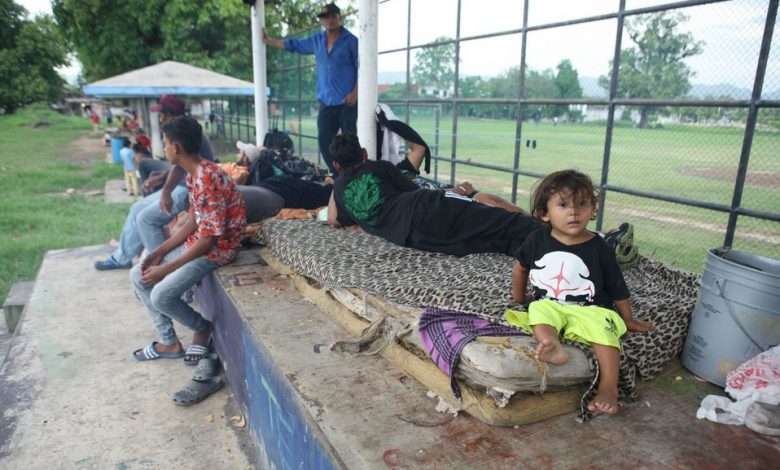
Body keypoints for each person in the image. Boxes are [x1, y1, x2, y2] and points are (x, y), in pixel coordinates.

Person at [503, 169, 654, 415]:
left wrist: (627, 319)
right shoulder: (536, 240)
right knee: (538, 311)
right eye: (563, 205)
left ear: (592, 209)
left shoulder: (600, 247)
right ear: (544, 212)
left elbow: (617, 285)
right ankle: (552, 345)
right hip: (550, 302)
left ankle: (608, 388)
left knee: (605, 331)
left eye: (582, 204)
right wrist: (520, 298)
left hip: (591, 308)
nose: (573, 212)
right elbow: (520, 268)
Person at [131, 116, 246, 366]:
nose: (163, 148)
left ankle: (201, 328)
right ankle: (169, 341)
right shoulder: (195, 173)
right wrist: (158, 252)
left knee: (160, 295)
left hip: (218, 251)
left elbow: (209, 240)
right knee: (138, 275)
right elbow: (194, 221)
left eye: (165, 143)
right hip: (200, 243)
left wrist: (165, 269)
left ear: (176, 147)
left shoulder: (207, 178)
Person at [327, 133, 540, 256]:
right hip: (423, 207)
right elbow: (417, 192)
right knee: (498, 222)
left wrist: (337, 182)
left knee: (488, 244)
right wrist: (458, 191)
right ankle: (550, 236)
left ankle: (540, 247)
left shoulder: (339, 190)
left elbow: (333, 220)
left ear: (336, 165)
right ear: (364, 153)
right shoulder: (379, 167)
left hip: (412, 237)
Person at [94, 95, 215, 270]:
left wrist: (166, 192)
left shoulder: (184, 133)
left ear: (170, 114)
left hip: (187, 188)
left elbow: (179, 167)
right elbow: (177, 164)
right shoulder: (182, 129)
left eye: (163, 114)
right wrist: (161, 178)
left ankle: (163, 267)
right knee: (137, 208)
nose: (161, 118)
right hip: (185, 184)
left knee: (146, 219)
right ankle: (125, 257)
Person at [262, 2, 358, 175]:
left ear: (340, 18)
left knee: (350, 141)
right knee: (324, 139)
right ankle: (336, 173)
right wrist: (268, 41)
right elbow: (294, 45)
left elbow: (363, 68)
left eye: (333, 16)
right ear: (321, 21)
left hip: (347, 102)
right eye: (325, 17)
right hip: (326, 102)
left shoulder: (351, 41)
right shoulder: (317, 40)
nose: (329, 20)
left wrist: (355, 93)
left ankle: (354, 173)